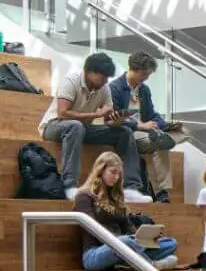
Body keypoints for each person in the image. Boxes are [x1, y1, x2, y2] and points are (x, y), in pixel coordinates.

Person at [38, 52, 148, 202]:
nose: (105, 81)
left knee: (124, 132)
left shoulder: (104, 88)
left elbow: (108, 118)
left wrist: (117, 120)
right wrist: (95, 115)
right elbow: (62, 113)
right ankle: (69, 186)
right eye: (103, 77)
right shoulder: (72, 81)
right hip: (53, 126)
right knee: (76, 127)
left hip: (81, 129)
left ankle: (130, 188)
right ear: (91, 72)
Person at [73, 152, 178, 271]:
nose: (117, 177)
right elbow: (91, 228)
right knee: (125, 241)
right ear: (101, 170)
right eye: (113, 172)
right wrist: (125, 242)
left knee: (170, 243)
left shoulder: (116, 197)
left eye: (119, 174)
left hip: (123, 248)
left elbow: (128, 227)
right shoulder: (84, 196)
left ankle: (126, 263)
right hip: (95, 253)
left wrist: (144, 239)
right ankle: (151, 265)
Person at [110, 51, 191, 203]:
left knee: (179, 134)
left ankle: (163, 136)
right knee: (159, 144)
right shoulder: (115, 88)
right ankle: (162, 192)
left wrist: (165, 124)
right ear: (133, 69)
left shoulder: (144, 90)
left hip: (147, 131)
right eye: (144, 74)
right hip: (128, 131)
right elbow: (113, 119)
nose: (146, 77)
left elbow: (151, 114)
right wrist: (141, 125)